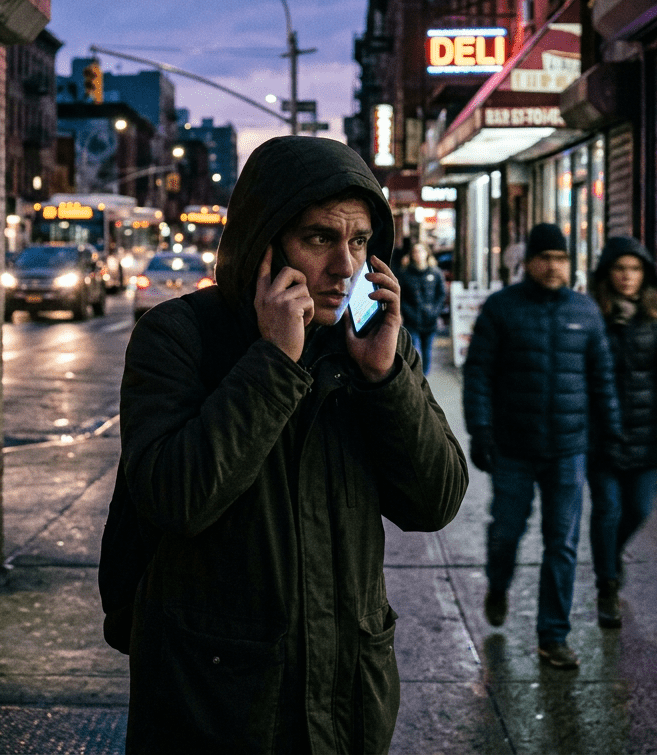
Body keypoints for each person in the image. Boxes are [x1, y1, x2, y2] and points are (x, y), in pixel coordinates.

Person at [113, 136, 468, 754]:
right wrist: (274, 362)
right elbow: (176, 499)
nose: (345, 266)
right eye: (320, 238)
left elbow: (435, 501)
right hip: (215, 706)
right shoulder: (178, 337)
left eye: (360, 242)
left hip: (346, 701)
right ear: (264, 244)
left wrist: (386, 380)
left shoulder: (374, 343)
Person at [462, 222, 622, 670]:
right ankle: (498, 584)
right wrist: (481, 430)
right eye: (546, 258)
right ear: (529, 262)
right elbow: (478, 373)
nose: (554, 266)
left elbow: (602, 378)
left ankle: (553, 636)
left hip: (568, 449)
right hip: (513, 447)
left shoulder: (585, 312)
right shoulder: (501, 309)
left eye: (561, 259)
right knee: (506, 532)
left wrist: (611, 433)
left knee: (562, 544)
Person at [588, 236, 657, 628]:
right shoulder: (592, 314)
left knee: (638, 508)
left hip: (645, 429)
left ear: (644, 274)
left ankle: (611, 555)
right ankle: (607, 585)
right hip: (601, 431)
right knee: (607, 509)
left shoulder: (656, 314)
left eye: (634, 269)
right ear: (607, 273)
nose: (627, 276)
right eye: (620, 268)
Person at [399, 242, 447, 372]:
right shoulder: (405, 274)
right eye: (415, 251)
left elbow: (441, 294)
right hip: (411, 319)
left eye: (421, 251)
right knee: (413, 349)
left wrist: (435, 311)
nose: (418, 254)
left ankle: (425, 375)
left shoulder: (435, 272)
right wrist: (406, 312)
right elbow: (401, 296)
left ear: (427, 253)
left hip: (430, 319)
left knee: (427, 349)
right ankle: (414, 375)